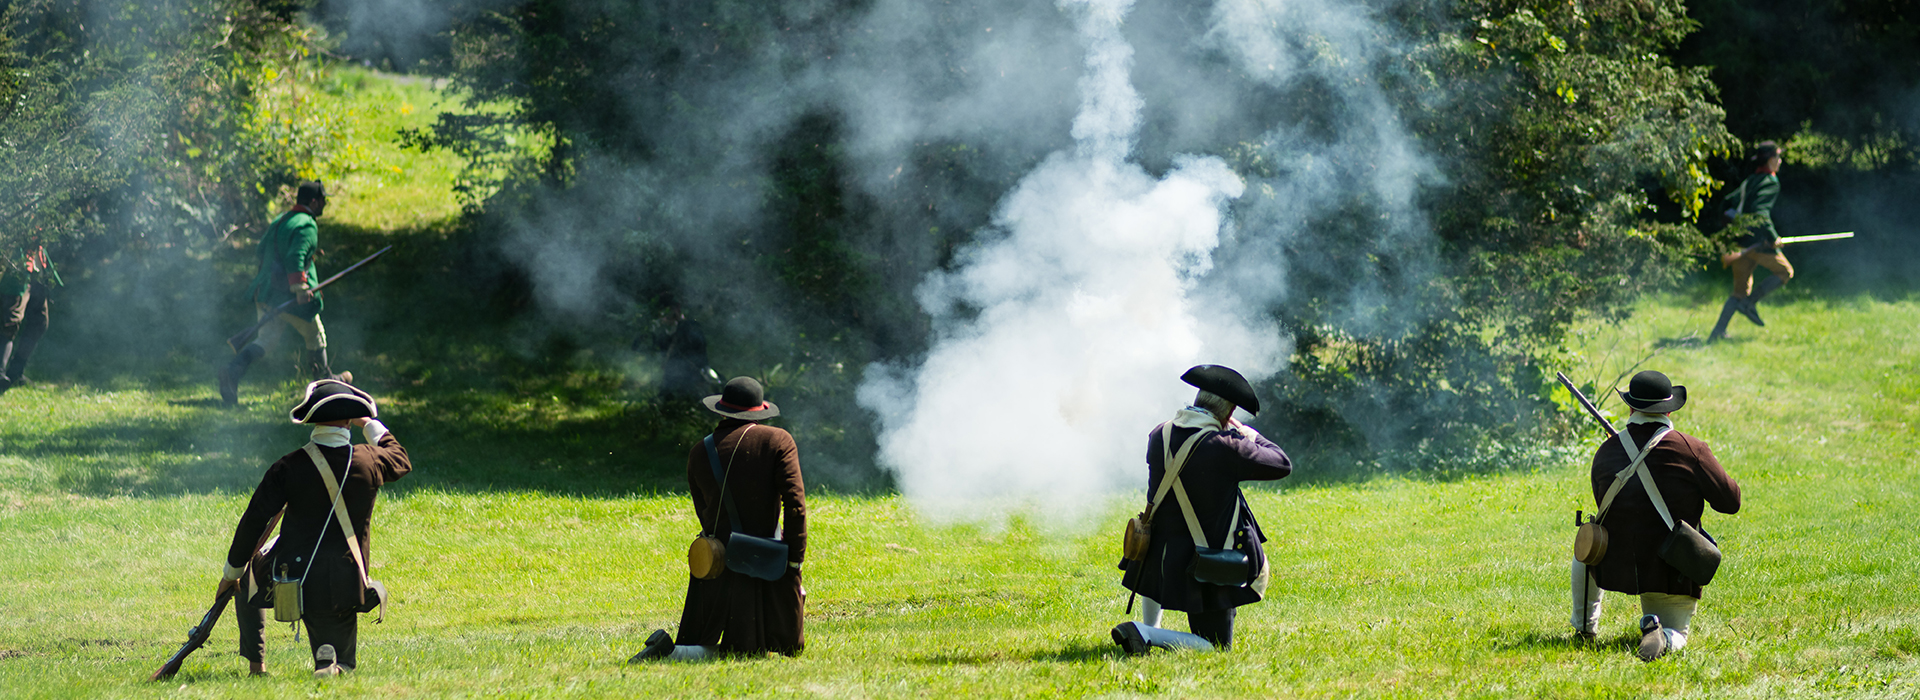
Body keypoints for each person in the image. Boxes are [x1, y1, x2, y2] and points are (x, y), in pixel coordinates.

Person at [218, 379, 412, 677]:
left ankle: (258, 668)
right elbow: (400, 459)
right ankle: (332, 662)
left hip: (293, 579)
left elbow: (253, 522)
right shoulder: (370, 460)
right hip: (350, 579)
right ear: (349, 419)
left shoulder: (288, 466)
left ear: (313, 420)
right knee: (342, 654)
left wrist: (232, 574)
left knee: (246, 572)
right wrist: (370, 424)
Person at [1112, 364, 1292, 654]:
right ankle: (1145, 634)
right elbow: (1282, 464)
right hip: (1205, 562)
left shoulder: (1159, 434)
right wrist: (1249, 434)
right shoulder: (1227, 445)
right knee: (1216, 648)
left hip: (1157, 556)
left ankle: (1149, 630)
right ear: (1229, 413)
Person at [631, 376, 807, 661]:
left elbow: (704, 512)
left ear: (722, 410)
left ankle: (671, 651)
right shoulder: (778, 440)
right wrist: (794, 559)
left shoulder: (700, 451)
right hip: (761, 563)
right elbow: (795, 505)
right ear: (759, 411)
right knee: (773, 651)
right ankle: (667, 653)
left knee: (723, 644)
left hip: (714, 561)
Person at [1570, 370, 1740, 662]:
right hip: (1672, 566)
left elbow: (1604, 504)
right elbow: (1730, 501)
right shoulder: (1692, 449)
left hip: (1616, 566)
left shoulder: (1607, 452)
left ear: (1631, 407)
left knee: (1586, 545)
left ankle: (1584, 628)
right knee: (1677, 635)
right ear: (1669, 408)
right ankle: (1662, 635)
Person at [219, 181, 345, 406]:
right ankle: (327, 388)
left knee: (266, 339)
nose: (324, 204)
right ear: (314, 201)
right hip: (285, 295)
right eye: (323, 200)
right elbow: (295, 257)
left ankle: (232, 371)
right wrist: (300, 288)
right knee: (315, 335)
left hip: (265, 292)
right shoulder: (307, 224)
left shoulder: (281, 219)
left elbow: (261, 250)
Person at [1710, 142, 1794, 342]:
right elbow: (1760, 212)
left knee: (1738, 291)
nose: (1780, 161)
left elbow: (1726, 203)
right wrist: (1773, 237)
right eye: (1778, 157)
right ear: (1771, 159)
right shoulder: (1770, 182)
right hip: (1757, 243)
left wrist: (1733, 228)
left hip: (1738, 243)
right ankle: (1749, 303)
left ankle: (1716, 334)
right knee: (1785, 272)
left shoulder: (1750, 180)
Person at [0, 243, 59, 396]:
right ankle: (0, 375)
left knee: (40, 322)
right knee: (10, 323)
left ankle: (15, 373)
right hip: (17, 269)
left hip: (36, 269)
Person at [635, 301, 716, 400]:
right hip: (674, 377)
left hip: (693, 374)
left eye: (667, 314)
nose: (664, 318)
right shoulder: (665, 332)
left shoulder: (691, 326)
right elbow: (641, 347)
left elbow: (697, 348)